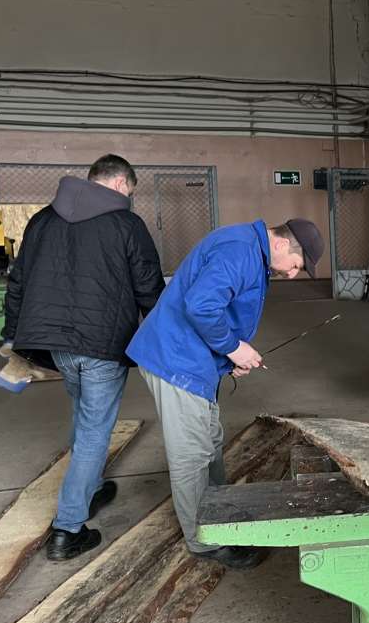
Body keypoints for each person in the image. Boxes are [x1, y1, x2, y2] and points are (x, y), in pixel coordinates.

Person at [126, 217, 324, 569]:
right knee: (191, 454)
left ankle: (218, 512)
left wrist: (228, 357)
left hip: (194, 359)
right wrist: (233, 348)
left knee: (210, 441)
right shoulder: (240, 251)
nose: (293, 275)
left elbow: (217, 308)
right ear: (281, 244)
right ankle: (204, 540)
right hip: (177, 361)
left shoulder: (250, 249)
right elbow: (201, 306)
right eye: (296, 265)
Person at [2, 154, 164, 561]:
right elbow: (148, 285)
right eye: (129, 191)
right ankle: (68, 528)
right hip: (102, 344)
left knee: (83, 413)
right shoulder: (126, 223)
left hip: (57, 345)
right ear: (120, 183)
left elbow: (18, 281)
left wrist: (13, 335)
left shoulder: (43, 220)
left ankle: (90, 487)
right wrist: (167, 336)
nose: (128, 197)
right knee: (95, 430)